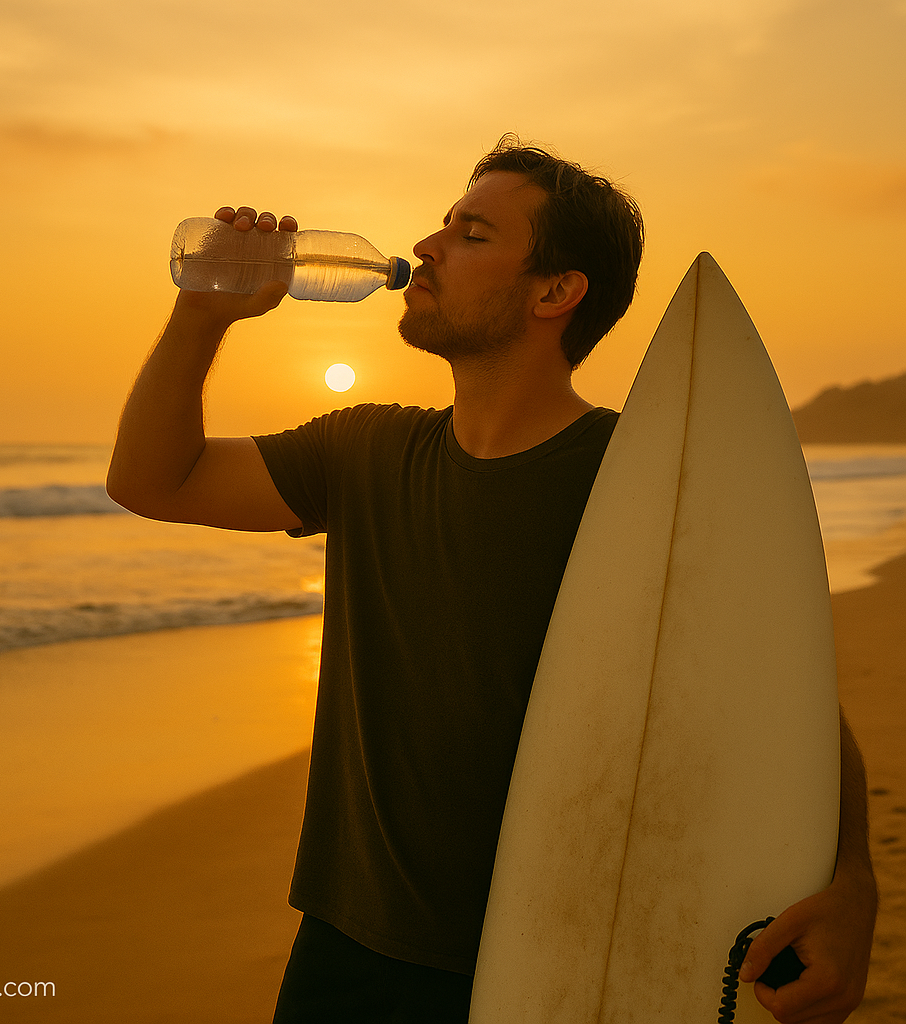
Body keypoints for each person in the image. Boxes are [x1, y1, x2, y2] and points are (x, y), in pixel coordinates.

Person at [106, 136, 877, 1024]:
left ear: (556, 291)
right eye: (441, 225)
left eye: (471, 234)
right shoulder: (364, 451)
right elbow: (152, 480)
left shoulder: (644, 477)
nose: (427, 247)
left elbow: (786, 691)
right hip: (348, 947)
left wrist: (854, 880)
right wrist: (202, 316)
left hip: (566, 962)